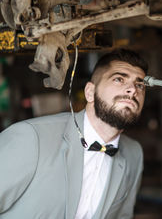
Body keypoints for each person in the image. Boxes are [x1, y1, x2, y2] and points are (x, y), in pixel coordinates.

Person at [0, 49, 148, 219]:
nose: (132, 90)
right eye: (119, 79)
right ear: (90, 92)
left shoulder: (133, 153)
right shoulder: (30, 137)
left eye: (140, 84)